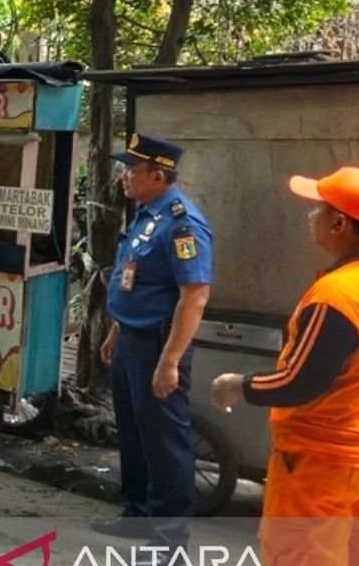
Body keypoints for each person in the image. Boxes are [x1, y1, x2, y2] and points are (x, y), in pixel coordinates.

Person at [211, 166, 359, 566]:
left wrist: (238, 384)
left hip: (317, 460)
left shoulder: (338, 295)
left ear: (340, 223)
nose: (309, 216)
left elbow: (301, 381)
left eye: (317, 208)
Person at [91, 133, 212, 565]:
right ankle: (137, 513)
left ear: (158, 176)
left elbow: (194, 294)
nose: (125, 176)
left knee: (165, 441)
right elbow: (135, 279)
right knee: (135, 434)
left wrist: (171, 360)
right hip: (132, 340)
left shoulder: (182, 223)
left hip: (158, 347)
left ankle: (169, 539)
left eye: (132, 170)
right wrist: (116, 330)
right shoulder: (147, 215)